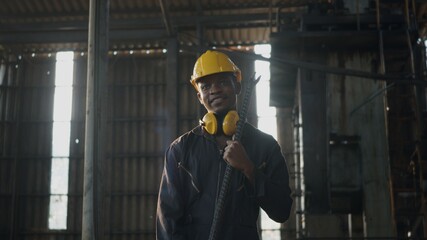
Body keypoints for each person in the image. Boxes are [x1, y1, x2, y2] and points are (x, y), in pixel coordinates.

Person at [156, 50, 293, 240]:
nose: (214, 90)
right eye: (206, 87)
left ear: (237, 86)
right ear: (199, 97)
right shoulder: (180, 150)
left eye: (222, 82)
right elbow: (168, 223)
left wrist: (249, 169)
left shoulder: (264, 146)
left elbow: (282, 210)